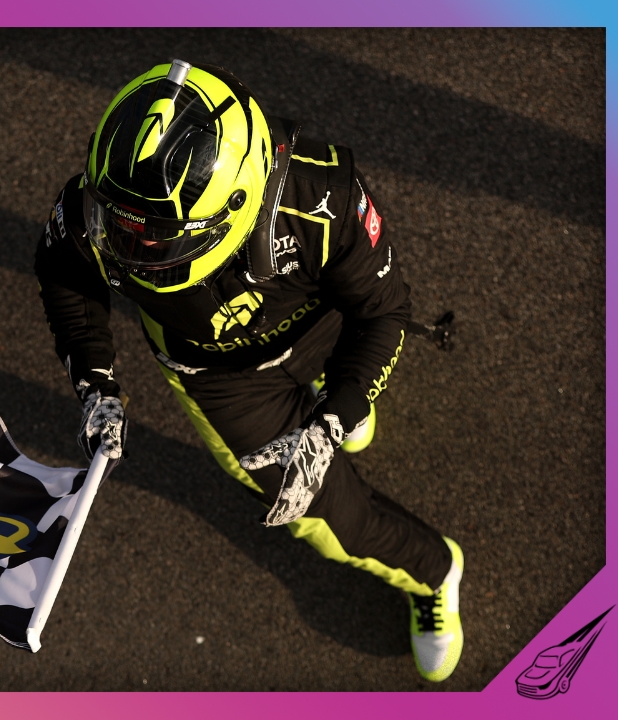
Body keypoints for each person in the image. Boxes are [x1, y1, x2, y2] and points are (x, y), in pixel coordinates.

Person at [33, 59, 463, 682]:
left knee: (348, 404)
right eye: (118, 229)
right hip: (219, 381)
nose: (131, 252)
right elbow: (65, 274)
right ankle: (436, 568)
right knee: (326, 520)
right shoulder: (100, 204)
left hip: (323, 331)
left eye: (155, 239)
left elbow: (384, 312)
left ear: (236, 202)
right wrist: (94, 379)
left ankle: (342, 408)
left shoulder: (327, 195)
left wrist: (336, 415)